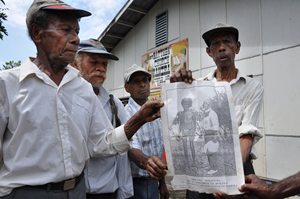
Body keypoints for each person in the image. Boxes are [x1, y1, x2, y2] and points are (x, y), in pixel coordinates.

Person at [0, 0, 163, 198]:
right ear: (37, 33)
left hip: (77, 191)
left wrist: (139, 118)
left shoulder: (83, 88)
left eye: (76, 31)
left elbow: (101, 144)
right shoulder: (7, 84)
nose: (76, 39)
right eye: (66, 30)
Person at [170, 23, 264, 199]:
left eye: (227, 42)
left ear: (237, 47)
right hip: (203, 170)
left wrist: (228, 177)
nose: (221, 47)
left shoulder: (252, 87)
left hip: (238, 167)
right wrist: (176, 88)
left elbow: (246, 135)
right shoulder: (198, 87)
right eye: (215, 44)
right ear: (209, 52)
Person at [72, 39, 133, 199]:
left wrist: (124, 192)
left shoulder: (114, 104)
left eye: (104, 64)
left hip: (106, 192)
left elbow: (121, 154)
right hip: (74, 192)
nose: (100, 68)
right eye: (93, 62)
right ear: (74, 64)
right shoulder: (66, 99)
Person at [124, 64, 170, 199]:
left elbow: (158, 149)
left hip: (153, 181)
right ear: (127, 88)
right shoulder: (126, 115)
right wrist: (147, 163)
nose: (143, 84)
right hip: (135, 185)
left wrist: (162, 183)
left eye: (145, 80)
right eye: (136, 81)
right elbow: (133, 150)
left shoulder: (155, 113)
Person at [173, 97, 198, 165]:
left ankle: (194, 160)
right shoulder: (180, 113)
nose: (185, 106)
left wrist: (193, 131)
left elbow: (194, 123)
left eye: (187, 104)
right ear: (182, 105)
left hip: (191, 129)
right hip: (184, 130)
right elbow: (180, 124)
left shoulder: (193, 113)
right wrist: (179, 132)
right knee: (185, 145)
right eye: (184, 104)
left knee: (191, 144)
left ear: (189, 105)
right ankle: (187, 160)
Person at [202, 100, 220, 175]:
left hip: (212, 134)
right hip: (207, 133)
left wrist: (215, 137)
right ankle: (211, 166)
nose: (204, 105)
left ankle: (214, 168)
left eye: (206, 104)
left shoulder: (212, 113)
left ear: (209, 104)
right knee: (208, 151)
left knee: (212, 151)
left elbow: (216, 126)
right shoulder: (206, 113)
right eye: (204, 104)